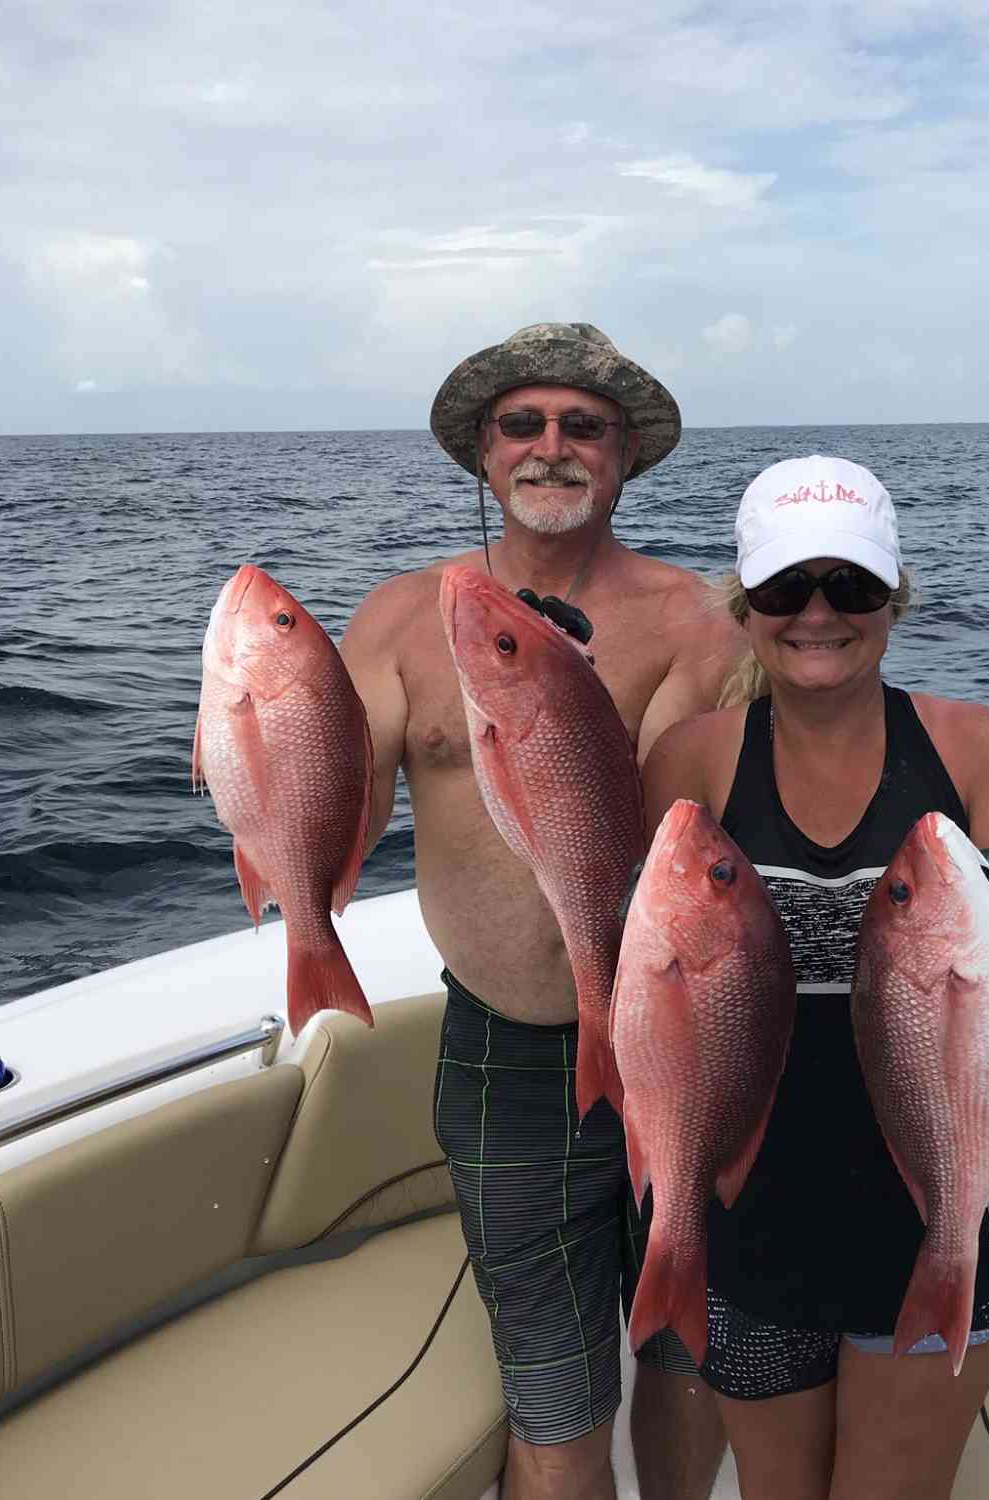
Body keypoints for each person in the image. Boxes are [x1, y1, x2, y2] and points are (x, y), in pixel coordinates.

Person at [640, 454, 989, 1500]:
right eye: (783, 588)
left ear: (893, 596)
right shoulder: (695, 760)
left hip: (942, 1213)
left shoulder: (978, 753)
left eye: (848, 586)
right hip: (751, 1217)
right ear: (743, 603)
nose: (816, 614)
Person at [340, 324, 738, 1500]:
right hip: (504, 1052)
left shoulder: (689, 621)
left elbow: (689, 836)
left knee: (686, 1359)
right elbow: (339, 818)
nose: (551, 447)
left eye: (584, 427)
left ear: (622, 458)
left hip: (677, 1037)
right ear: (482, 451)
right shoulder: (397, 622)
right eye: (524, 423)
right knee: (553, 1388)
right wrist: (257, 745)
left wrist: (572, 715)